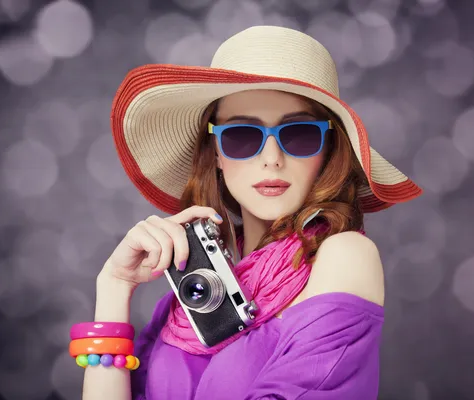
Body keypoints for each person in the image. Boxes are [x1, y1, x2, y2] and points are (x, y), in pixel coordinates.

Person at [71, 25, 422, 399]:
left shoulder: (344, 256)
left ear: (328, 149)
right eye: (242, 136)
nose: (272, 159)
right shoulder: (190, 292)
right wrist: (113, 287)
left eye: (299, 134)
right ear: (217, 153)